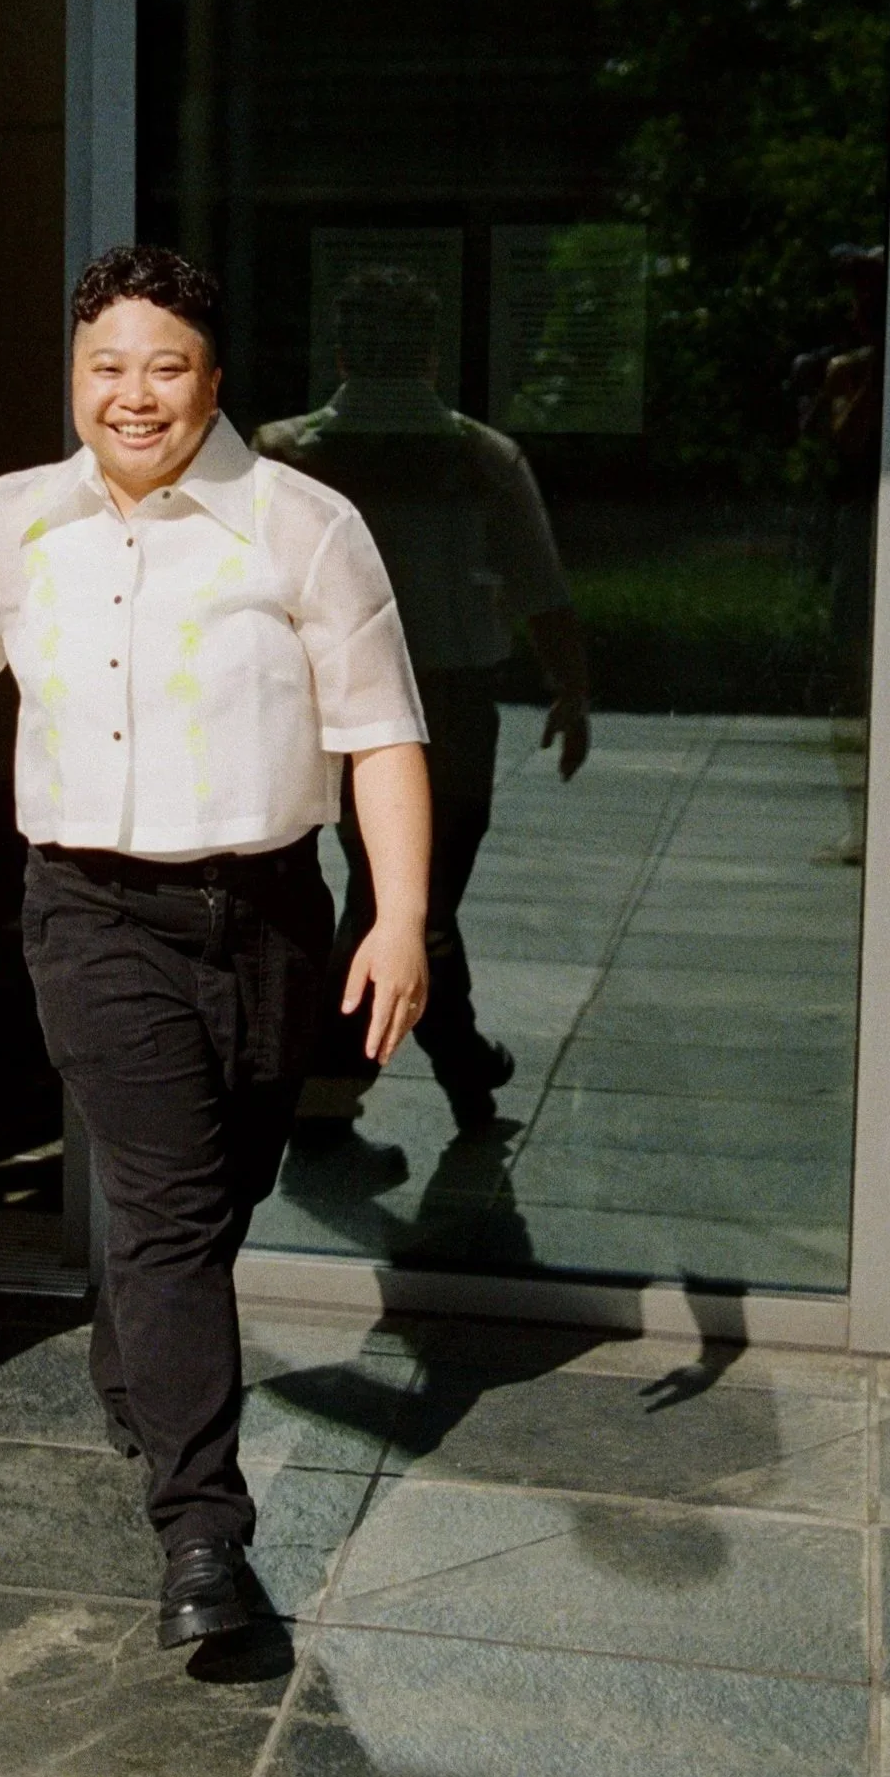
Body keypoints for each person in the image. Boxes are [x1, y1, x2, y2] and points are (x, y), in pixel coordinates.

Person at [0, 244, 430, 1649]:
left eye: (166, 367)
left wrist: (401, 915)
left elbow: (380, 729)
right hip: (90, 913)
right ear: (74, 376)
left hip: (265, 917)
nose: (133, 397)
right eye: (105, 367)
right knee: (175, 1202)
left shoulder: (300, 523)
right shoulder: (23, 519)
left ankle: (139, 1373)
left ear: (215, 380)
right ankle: (203, 1537)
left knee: (216, 1185)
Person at [253, 264, 590, 1135]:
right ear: (433, 356)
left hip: (325, 703)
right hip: (448, 705)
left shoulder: (286, 453)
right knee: (408, 899)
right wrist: (571, 687)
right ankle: (401, 1081)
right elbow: (539, 584)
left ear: (340, 350)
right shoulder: (481, 458)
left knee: (396, 894)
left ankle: (422, 1076)